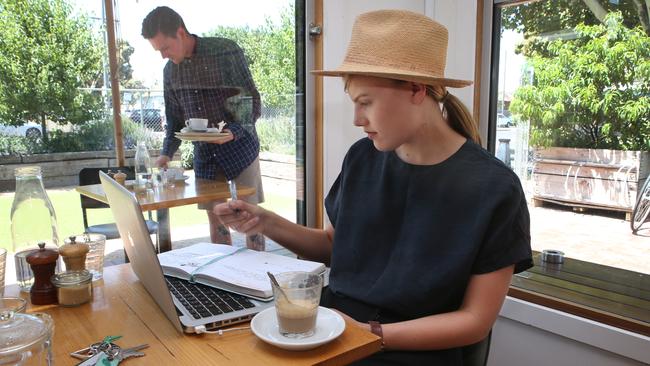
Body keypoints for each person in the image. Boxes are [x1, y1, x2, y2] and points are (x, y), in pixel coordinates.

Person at [214, 9, 533, 365]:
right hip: (333, 330)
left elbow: (475, 321)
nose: (357, 119)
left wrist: (369, 334)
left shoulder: (494, 189)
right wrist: (265, 221)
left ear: (416, 89)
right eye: (355, 103)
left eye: (365, 102)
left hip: (407, 349)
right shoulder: (362, 158)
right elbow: (335, 246)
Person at [141, 6, 265, 251]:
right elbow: (174, 117)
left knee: (250, 216)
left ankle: (260, 272)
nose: (163, 56)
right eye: (158, 50)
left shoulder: (224, 51)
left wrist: (233, 131)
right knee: (216, 216)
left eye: (165, 47)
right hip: (205, 156)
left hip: (241, 149)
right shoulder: (170, 72)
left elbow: (252, 102)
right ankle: (224, 277)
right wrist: (167, 152)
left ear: (180, 33)